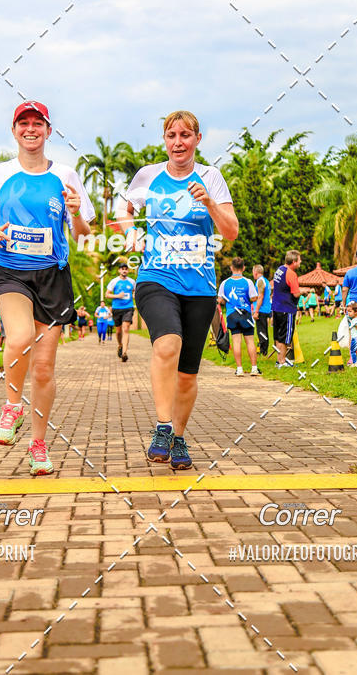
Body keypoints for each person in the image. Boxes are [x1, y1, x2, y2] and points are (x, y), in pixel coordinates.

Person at [0, 100, 94, 475]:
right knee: (19, 336)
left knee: (43, 369)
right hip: (10, 271)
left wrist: (74, 211)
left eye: (37, 123)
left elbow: (85, 231)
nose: (30, 129)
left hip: (53, 277)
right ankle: (11, 406)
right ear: (14, 130)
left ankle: (38, 444)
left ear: (48, 131)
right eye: (23, 123)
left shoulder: (66, 175)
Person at [119, 110, 237, 470]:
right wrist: (131, 234)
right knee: (167, 344)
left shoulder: (211, 178)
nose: (178, 142)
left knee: (187, 373)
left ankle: (180, 439)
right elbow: (126, 210)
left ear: (197, 140)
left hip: (199, 285)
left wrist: (211, 204)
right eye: (171, 135)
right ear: (165, 140)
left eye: (185, 135)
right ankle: (163, 426)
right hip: (156, 277)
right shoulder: (149, 176)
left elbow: (230, 232)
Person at [218, 257, 260, 377]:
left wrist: (228, 300)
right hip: (245, 313)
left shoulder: (225, 283)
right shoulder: (248, 282)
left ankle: (239, 369)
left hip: (231, 314)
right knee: (250, 341)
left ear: (231, 268)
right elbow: (253, 297)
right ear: (243, 268)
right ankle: (254, 368)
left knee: (236, 341)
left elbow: (220, 300)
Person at [271, 250, 302, 367]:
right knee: (285, 336)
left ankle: (279, 360)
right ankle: (282, 361)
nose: (300, 262)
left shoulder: (280, 269)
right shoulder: (291, 274)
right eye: (299, 260)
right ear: (293, 262)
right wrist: (303, 292)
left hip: (277, 307)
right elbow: (295, 294)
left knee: (279, 336)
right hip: (287, 308)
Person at [106, 263, 136, 362]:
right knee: (118, 332)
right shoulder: (114, 281)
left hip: (128, 308)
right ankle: (120, 345)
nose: (124, 271)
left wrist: (134, 294)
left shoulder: (132, 282)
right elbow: (107, 295)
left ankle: (124, 353)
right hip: (117, 308)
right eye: (122, 269)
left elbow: (135, 291)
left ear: (128, 271)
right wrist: (117, 296)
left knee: (126, 328)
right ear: (119, 270)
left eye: (126, 269)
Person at [252, 264, 271, 356]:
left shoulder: (260, 281)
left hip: (262, 309)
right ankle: (263, 348)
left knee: (261, 331)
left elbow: (261, 296)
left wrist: (256, 311)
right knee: (264, 330)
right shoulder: (266, 281)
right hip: (266, 308)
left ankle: (263, 350)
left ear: (255, 272)